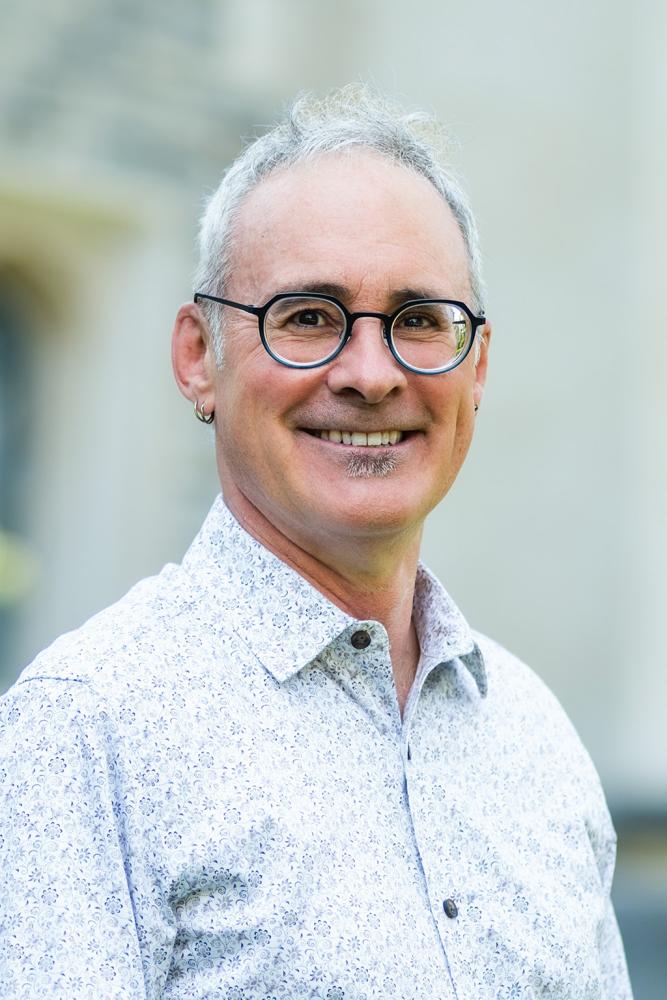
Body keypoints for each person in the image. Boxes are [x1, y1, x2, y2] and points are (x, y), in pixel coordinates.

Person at [0, 86, 632, 999]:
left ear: (477, 365)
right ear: (197, 356)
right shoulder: (86, 731)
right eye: (307, 317)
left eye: (418, 318)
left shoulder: (533, 735)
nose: (371, 375)